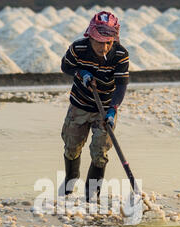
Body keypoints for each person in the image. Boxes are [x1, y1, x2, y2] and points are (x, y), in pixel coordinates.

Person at [61, 11, 129, 202]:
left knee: (100, 153)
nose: (104, 47)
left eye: (108, 42)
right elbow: (66, 67)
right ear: (89, 36)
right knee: (72, 147)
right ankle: (70, 180)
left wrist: (112, 110)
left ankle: (92, 196)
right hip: (80, 105)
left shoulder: (121, 54)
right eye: (99, 41)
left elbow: (122, 85)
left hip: (106, 107)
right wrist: (81, 72)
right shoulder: (78, 49)